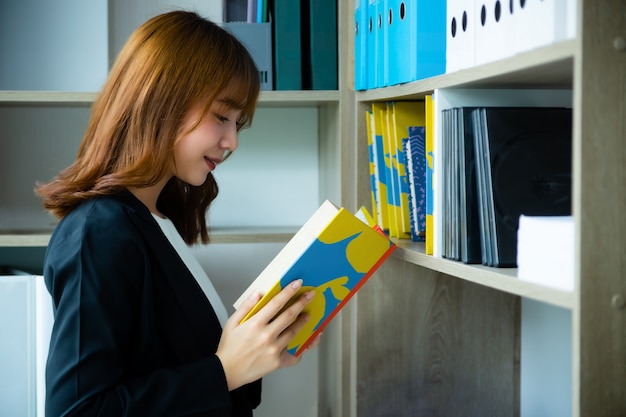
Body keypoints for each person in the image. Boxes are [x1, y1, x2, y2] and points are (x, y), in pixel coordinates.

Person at [35, 10, 320, 417]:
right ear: (162, 99)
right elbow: (78, 411)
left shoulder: (156, 218)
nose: (232, 141)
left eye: (239, 124)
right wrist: (225, 371)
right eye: (222, 116)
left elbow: (184, 370)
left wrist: (259, 348)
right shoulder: (98, 232)